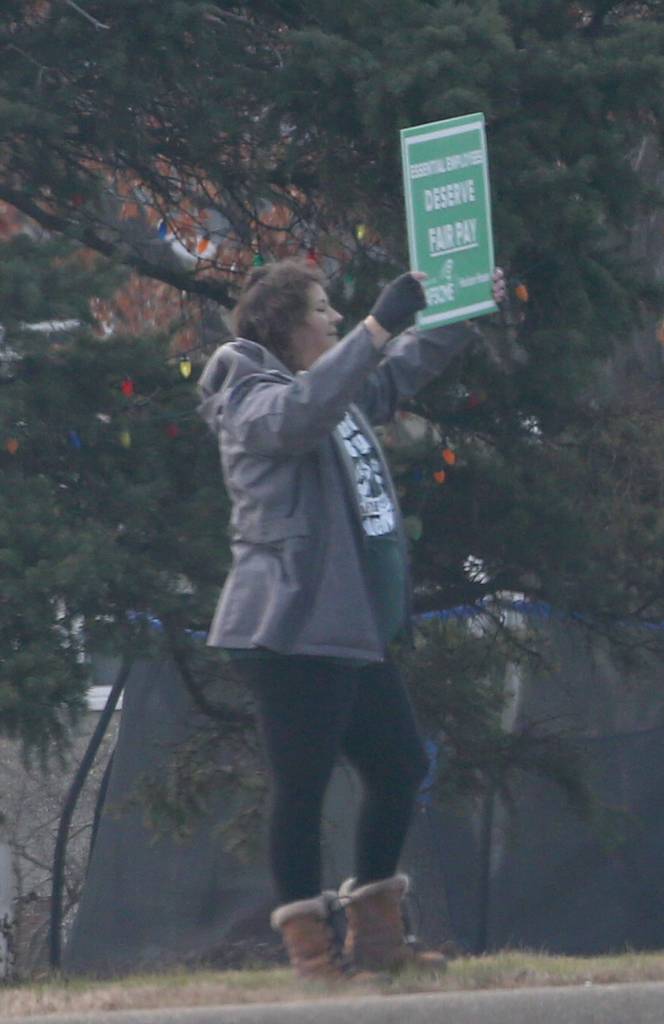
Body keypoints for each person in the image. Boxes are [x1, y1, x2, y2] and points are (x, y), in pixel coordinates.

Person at [197, 259, 504, 979]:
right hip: (289, 624)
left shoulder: (332, 391)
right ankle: (312, 955)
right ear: (285, 325)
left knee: (399, 765)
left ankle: (375, 940)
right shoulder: (250, 391)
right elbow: (297, 418)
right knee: (301, 789)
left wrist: (460, 313)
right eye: (323, 308)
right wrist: (376, 324)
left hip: (346, 625)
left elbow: (390, 376)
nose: (334, 317)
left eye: (339, 310)